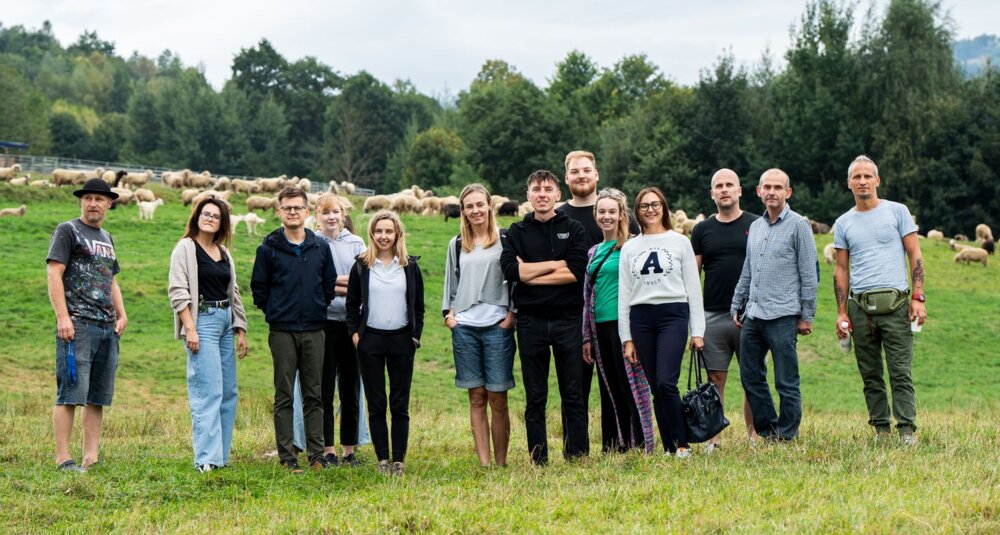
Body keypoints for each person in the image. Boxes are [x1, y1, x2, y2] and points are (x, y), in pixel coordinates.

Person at [833, 155, 925, 445]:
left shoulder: (897, 212)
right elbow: (841, 269)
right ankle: (881, 430)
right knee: (870, 374)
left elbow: (915, 254)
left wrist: (918, 297)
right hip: (861, 309)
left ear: (877, 180)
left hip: (897, 305)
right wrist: (841, 312)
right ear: (849, 183)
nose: (862, 181)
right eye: (856, 177)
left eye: (867, 176)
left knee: (900, 371)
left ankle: (906, 429)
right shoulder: (843, 222)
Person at [500, 170, 589, 466]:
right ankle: (538, 458)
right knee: (535, 395)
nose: (541, 194)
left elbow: (575, 273)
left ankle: (576, 454)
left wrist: (531, 275)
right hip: (530, 322)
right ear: (528, 195)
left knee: (573, 392)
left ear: (557, 195)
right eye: (536, 189)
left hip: (568, 320)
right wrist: (555, 265)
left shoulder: (573, 228)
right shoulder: (515, 232)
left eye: (547, 189)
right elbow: (511, 272)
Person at [251, 187, 337, 472]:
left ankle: (316, 455)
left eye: (297, 208)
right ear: (279, 211)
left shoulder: (320, 247)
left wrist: (315, 309)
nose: (292, 212)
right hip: (282, 331)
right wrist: (277, 312)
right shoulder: (268, 249)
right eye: (287, 208)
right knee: (284, 394)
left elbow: (329, 285)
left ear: (307, 212)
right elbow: (259, 290)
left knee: (314, 394)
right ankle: (288, 456)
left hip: (314, 329)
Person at [730, 169, 818, 442]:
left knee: (786, 380)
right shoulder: (755, 227)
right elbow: (748, 269)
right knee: (750, 376)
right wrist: (737, 303)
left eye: (778, 187)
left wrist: (807, 315)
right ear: (758, 191)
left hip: (783, 315)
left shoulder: (799, 225)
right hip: (754, 315)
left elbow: (809, 273)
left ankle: (787, 433)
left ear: (787, 192)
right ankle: (768, 430)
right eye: (767, 187)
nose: (772, 192)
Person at [47, 178, 128, 472]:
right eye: (88, 198)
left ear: (109, 203)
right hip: (78, 324)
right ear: (81, 201)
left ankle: (90, 458)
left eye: (99, 199)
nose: (93, 203)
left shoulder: (107, 237)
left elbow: (111, 278)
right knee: (70, 392)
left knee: (98, 396)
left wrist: (122, 314)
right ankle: (63, 459)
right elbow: (54, 273)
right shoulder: (67, 231)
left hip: (107, 326)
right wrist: (62, 317)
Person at [618, 187, 705, 458]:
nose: (651, 210)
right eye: (645, 206)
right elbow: (624, 295)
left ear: (664, 208)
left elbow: (693, 288)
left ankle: (682, 444)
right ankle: (668, 446)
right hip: (641, 318)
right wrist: (626, 338)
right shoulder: (630, 247)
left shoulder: (679, 241)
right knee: (656, 387)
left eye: (656, 204)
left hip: (673, 315)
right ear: (637, 211)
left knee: (667, 382)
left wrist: (697, 331)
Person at [557, 150, 641, 419]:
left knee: (615, 385)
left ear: (596, 174)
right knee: (574, 389)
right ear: (566, 177)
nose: (581, 175)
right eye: (575, 171)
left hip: (614, 317)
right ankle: (576, 451)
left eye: (586, 170)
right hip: (571, 317)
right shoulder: (559, 217)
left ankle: (618, 446)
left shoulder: (623, 219)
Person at [168, 198, 249, 473]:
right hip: (202, 321)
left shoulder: (223, 252)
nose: (210, 218)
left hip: (226, 321)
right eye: (205, 213)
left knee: (228, 392)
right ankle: (205, 459)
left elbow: (233, 291)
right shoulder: (186, 248)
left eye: (215, 216)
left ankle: (220, 457)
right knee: (208, 391)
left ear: (222, 222)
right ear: (196, 216)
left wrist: (241, 328)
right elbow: (178, 291)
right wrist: (190, 328)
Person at [346, 210, 425, 476]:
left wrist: (415, 336)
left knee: (399, 403)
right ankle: (382, 459)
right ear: (372, 234)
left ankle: (399, 460)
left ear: (397, 234)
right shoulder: (362, 265)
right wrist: (356, 335)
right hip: (371, 341)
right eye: (378, 231)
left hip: (402, 340)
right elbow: (351, 305)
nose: (383, 236)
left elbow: (419, 306)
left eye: (388, 231)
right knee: (377, 402)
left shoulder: (410, 266)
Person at [442, 184, 516, 467]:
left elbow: (516, 280)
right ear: (463, 211)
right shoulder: (457, 243)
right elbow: (451, 283)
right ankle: (485, 464)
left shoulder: (506, 240)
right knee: (476, 396)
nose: (475, 210)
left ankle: (501, 462)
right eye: (469, 206)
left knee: (498, 396)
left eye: (479, 204)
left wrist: (512, 315)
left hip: (497, 326)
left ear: (489, 206)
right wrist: (449, 317)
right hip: (466, 327)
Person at [581, 188, 654, 454]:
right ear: (595, 215)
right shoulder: (593, 252)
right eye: (602, 211)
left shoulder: (633, 247)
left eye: (612, 211)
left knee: (631, 386)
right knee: (609, 387)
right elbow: (587, 296)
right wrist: (586, 336)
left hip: (626, 327)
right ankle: (615, 444)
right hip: (600, 328)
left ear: (622, 214)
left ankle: (641, 443)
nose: (607, 216)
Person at [690, 169, 758, 450]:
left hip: (750, 314)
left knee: (752, 377)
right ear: (712, 194)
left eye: (729, 185)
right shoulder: (702, 229)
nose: (724, 189)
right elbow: (693, 275)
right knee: (714, 379)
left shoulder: (756, 224)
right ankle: (713, 438)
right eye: (719, 186)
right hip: (713, 314)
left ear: (740, 190)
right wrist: (692, 320)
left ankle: (754, 435)